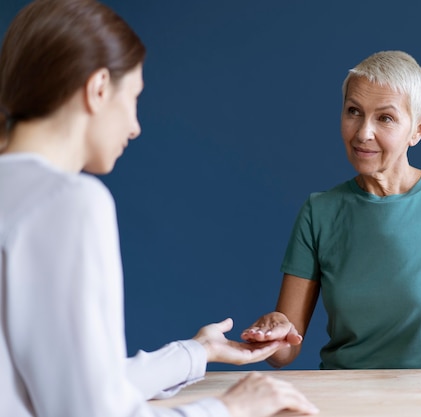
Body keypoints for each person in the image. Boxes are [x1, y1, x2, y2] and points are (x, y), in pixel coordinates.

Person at [0, 1, 318, 416]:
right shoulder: (70, 201)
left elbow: (74, 384)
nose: (135, 126)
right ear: (97, 89)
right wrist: (231, 409)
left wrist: (197, 351)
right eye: (132, 98)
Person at [242, 50, 421, 370]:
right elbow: (284, 353)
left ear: (418, 129)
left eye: (385, 118)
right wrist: (275, 330)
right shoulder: (319, 211)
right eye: (353, 111)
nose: (362, 133)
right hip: (349, 398)